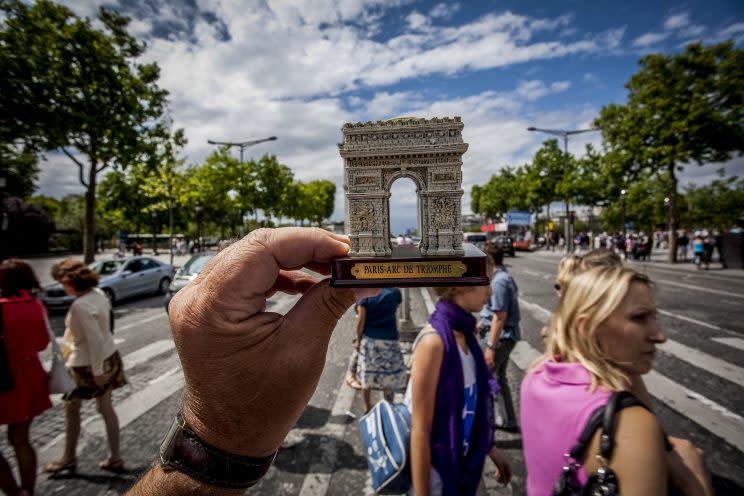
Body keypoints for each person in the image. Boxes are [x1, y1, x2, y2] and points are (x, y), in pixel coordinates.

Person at [521, 266, 713, 496]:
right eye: (639, 317)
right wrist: (697, 484)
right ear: (587, 327)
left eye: (654, 318)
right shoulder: (629, 424)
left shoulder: (536, 374)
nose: (659, 335)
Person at [406, 285, 511, 496]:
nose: (490, 291)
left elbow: (469, 407)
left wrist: (490, 449)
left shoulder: (465, 336)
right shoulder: (433, 343)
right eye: (485, 282)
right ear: (461, 286)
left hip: (460, 465)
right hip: (436, 475)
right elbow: (420, 431)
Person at [43, 259, 127, 475]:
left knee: (71, 411)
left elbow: (94, 339)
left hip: (85, 364)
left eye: (63, 284)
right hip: (108, 356)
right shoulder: (98, 294)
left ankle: (68, 458)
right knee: (105, 407)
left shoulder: (80, 305)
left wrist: (97, 371)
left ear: (71, 283)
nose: (62, 288)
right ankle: (115, 457)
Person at [0, 260, 52, 496]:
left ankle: (12, 491)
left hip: (5, 376)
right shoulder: (36, 305)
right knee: (21, 439)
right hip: (29, 373)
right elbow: (43, 343)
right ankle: (27, 491)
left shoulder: (2, 306)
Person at [478, 244, 521, 432]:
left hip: (501, 337)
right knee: (500, 379)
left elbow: (500, 316)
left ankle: (486, 423)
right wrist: (480, 324)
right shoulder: (501, 278)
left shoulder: (498, 282)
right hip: (502, 336)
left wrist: (490, 346)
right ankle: (508, 420)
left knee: (485, 379)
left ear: (489, 261)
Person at [354, 288, 407, 412]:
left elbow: (361, 321)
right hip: (390, 340)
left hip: (370, 341)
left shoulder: (364, 293)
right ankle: (388, 407)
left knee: (367, 377)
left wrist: (357, 339)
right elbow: (397, 306)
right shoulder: (394, 291)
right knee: (389, 378)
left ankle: (367, 407)